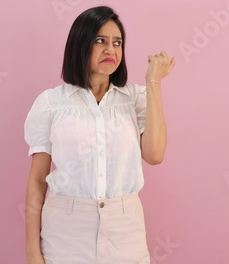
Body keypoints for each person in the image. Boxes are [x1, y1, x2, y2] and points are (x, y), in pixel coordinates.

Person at [24, 5, 175, 264]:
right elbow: (38, 180)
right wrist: (32, 252)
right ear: (80, 44)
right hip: (65, 231)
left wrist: (154, 83)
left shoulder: (136, 98)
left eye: (117, 43)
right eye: (100, 41)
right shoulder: (51, 103)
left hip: (125, 230)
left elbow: (154, 155)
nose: (111, 50)